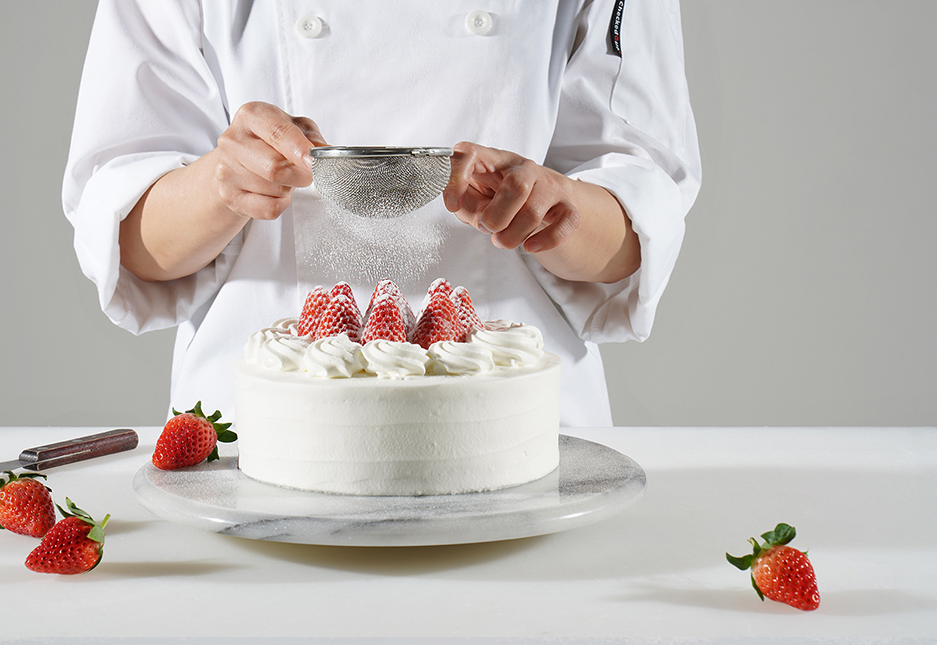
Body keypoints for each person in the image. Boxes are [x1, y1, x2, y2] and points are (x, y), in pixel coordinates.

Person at [62, 1, 701, 427]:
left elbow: (634, 219)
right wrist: (220, 184)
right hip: (258, 432)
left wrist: (557, 212)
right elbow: (134, 247)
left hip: (515, 426)